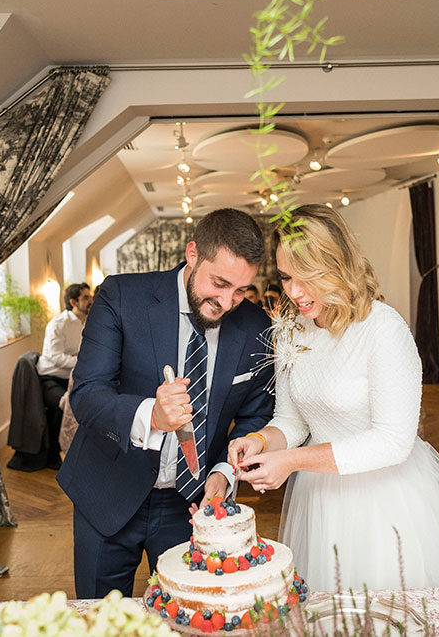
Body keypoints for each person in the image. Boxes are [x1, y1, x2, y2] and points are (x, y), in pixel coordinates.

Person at [228, 204, 439, 592]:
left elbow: (393, 442)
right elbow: (292, 420)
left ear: (337, 265)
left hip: (386, 502)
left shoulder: (383, 329)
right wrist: (258, 442)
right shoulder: (291, 328)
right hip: (321, 498)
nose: (295, 292)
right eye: (288, 277)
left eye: (308, 277)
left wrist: (291, 460)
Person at [59, 208, 275, 599]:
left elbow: (255, 414)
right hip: (107, 494)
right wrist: (152, 416)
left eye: (241, 290)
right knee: (102, 622)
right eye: (219, 283)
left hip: (191, 506)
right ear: (192, 254)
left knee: (190, 615)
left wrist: (225, 473)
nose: (227, 302)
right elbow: (87, 394)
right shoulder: (122, 296)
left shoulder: (257, 326)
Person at [34, 282, 92, 468]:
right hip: (50, 378)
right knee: (65, 404)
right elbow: (53, 357)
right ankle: (53, 455)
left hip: (72, 377)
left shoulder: (88, 321)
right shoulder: (58, 324)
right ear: (73, 302)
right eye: (86, 297)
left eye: (90, 296)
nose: (91, 300)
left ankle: (82, 452)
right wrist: (80, 360)